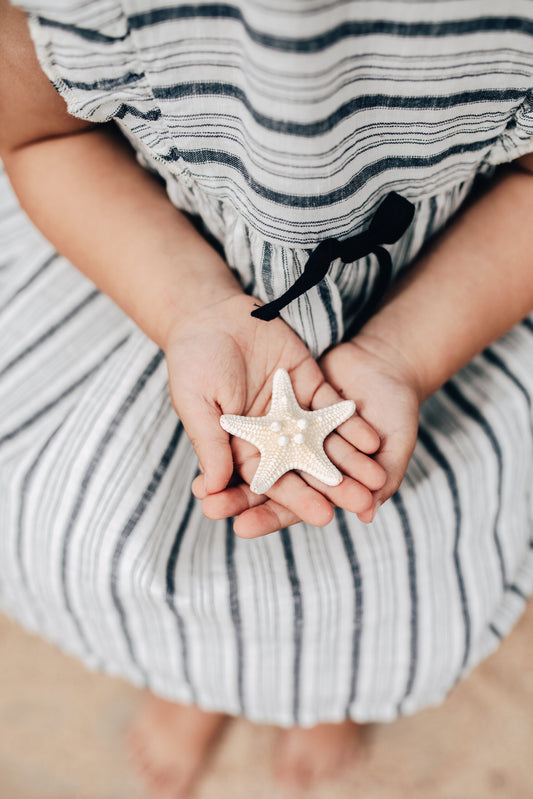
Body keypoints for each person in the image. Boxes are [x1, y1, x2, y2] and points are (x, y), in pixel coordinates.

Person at [1, 0, 533, 796]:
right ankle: (192, 671)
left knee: (378, 584)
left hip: (443, 292)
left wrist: (404, 355)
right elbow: (38, 136)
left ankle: (328, 689)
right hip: (155, 266)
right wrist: (189, 311)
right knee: (141, 547)